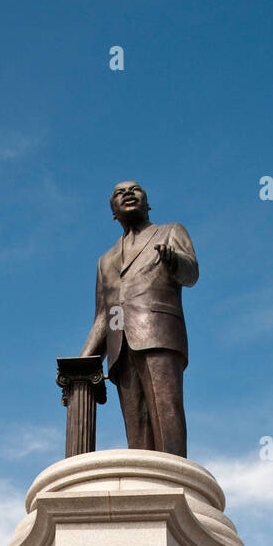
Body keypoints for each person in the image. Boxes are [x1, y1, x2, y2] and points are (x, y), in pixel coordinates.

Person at [80, 180, 198, 457]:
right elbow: (103, 315)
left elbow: (191, 274)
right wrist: (82, 361)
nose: (128, 194)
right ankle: (143, 484)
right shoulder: (105, 260)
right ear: (113, 211)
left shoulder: (170, 232)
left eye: (135, 189)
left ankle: (173, 477)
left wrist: (174, 260)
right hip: (119, 348)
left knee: (166, 411)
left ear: (147, 202)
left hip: (158, 333)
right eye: (119, 193)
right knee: (137, 430)